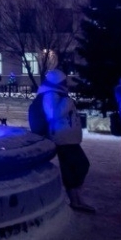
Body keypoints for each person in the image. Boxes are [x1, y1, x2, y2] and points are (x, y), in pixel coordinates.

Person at [38, 68, 95, 213]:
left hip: (68, 137)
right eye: (64, 80)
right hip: (62, 138)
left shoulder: (58, 94)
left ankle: (76, 198)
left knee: (74, 167)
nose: (66, 83)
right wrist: (67, 101)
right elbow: (52, 115)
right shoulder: (50, 95)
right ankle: (75, 198)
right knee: (80, 165)